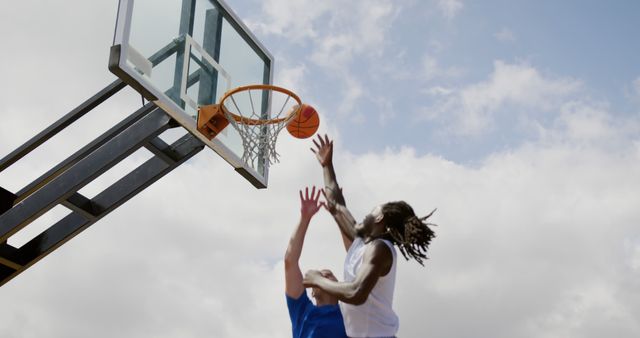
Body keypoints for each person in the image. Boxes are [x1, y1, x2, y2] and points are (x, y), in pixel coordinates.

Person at [303, 134, 436, 338]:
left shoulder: (380, 249)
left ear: (379, 217)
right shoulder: (361, 242)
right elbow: (335, 203)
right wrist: (326, 165)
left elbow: (356, 293)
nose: (368, 212)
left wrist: (318, 281)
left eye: (373, 210)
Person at [284, 186, 348, 338]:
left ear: (340, 288)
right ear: (312, 291)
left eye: (329, 274)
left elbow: (355, 255)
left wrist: (340, 215)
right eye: (320, 275)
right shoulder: (302, 311)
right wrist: (304, 218)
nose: (324, 274)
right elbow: (290, 262)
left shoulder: (351, 314)